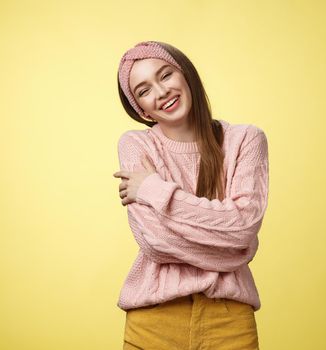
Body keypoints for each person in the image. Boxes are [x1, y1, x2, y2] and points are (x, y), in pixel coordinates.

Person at [113, 40, 269, 350]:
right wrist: (227, 249)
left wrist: (153, 190)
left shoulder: (245, 140)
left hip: (229, 320)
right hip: (153, 319)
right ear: (139, 108)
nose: (161, 92)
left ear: (186, 74)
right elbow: (155, 242)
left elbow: (242, 230)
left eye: (166, 75)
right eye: (144, 91)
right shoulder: (136, 146)